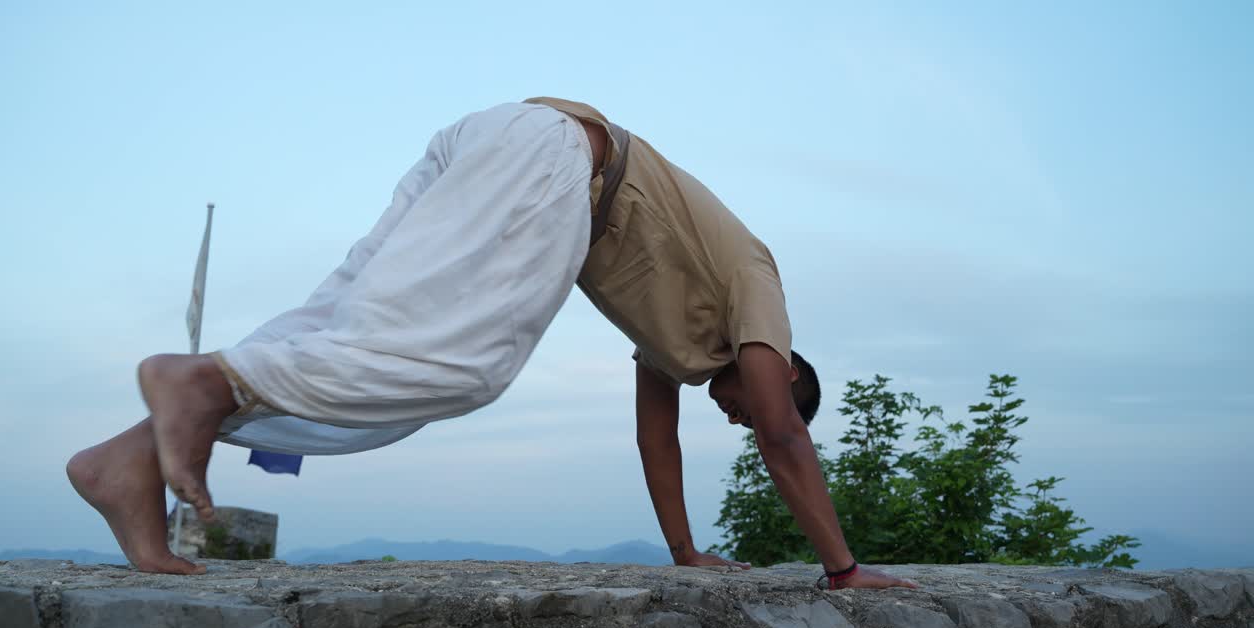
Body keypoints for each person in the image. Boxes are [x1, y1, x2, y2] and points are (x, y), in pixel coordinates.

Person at [67, 98, 917, 590]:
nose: (733, 416)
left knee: (353, 331)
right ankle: (201, 384)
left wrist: (685, 553)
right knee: (467, 367)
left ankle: (126, 461)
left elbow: (654, 440)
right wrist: (842, 571)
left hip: (491, 141)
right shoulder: (758, 290)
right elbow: (782, 431)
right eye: (746, 404)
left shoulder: (683, 342)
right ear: (783, 363)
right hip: (556, 157)